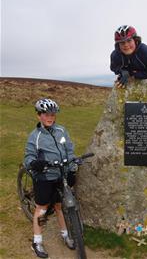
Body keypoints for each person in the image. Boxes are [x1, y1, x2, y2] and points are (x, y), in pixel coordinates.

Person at [24, 98, 77, 258]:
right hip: (44, 176)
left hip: (61, 174)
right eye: (46, 114)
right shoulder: (35, 136)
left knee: (59, 206)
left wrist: (72, 167)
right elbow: (28, 157)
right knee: (42, 208)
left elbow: (69, 150)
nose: (50, 117)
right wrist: (34, 163)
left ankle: (65, 235)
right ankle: (37, 241)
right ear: (39, 116)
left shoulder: (61, 130)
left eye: (53, 114)